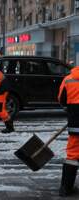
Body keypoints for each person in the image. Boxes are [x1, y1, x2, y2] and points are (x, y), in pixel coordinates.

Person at [58, 66, 79, 197]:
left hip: (76, 122)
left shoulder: (68, 79)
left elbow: (62, 100)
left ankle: (66, 188)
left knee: (72, 155)